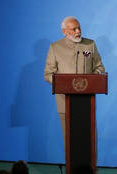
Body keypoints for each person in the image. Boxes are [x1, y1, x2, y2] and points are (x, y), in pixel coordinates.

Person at [43, 18, 105, 147]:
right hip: (65, 101)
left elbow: (99, 68)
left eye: (79, 28)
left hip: (87, 101)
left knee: (89, 139)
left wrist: (91, 80)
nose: (78, 31)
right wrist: (63, 84)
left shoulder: (90, 44)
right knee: (69, 139)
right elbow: (48, 74)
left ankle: (92, 168)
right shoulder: (55, 47)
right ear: (64, 31)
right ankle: (71, 167)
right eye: (74, 29)